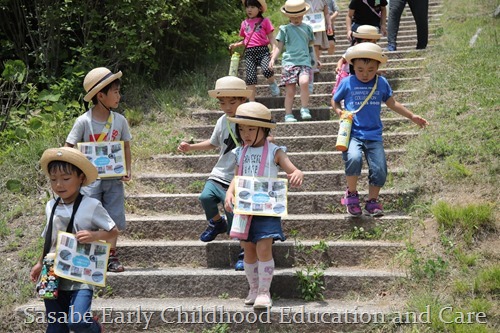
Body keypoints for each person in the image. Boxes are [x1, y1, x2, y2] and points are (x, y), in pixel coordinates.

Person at [332, 43, 428, 217]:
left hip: (374, 135)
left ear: (378, 67)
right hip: (353, 134)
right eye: (360, 69)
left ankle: (372, 201)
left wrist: (411, 116)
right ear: (352, 66)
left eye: (370, 69)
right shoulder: (347, 82)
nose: (365, 74)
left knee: (380, 169)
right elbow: (335, 100)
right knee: (353, 158)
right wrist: (339, 111)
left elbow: (392, 103)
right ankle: (352, 194)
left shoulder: (381, 83)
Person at [224, 102, 304, 308]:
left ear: (264, 129)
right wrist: (229, 193)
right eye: (242, 128)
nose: (246, 133)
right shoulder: (240, 152)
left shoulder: (275, 151)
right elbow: (237, 176)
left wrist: (296, 173)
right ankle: (252, 288)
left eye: (251, 128)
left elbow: (292, 169)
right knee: (248, 249)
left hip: (266, 209)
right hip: (244, 209)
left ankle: (263, 291)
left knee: (264, 248)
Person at [30, 147, 118, 333]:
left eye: (66, 178)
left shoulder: (92, 205)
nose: (59, 184)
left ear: (81, 178)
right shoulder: (50, 205)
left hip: (82, 272)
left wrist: (94, 235)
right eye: (54, 180)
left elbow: (113, 232)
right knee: (55, 328)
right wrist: (39, 263)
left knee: (77, 321)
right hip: (51, 270)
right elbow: (50, 239)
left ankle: (95, 327)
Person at [177, 76, 252, 270]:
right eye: (222, 102)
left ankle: (244, 251)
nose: (227, 106)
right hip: (220, 172)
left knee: (235, 213)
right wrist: (190, 147)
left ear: (243, 99)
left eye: (232, 101)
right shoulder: (221, 121)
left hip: (240, 175)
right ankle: (217, 224)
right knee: (205, 197)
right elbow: (213, 143)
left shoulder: (252, 118)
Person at [65, 67, 131, 273]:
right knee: (89, 215)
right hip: (89, 180)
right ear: (100, 95)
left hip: (113, 178)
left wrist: (128, 169)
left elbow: (126, 145)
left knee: (113, 215)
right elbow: (69, 147)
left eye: (119, 91)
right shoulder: (83, 121)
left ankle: (111, 256)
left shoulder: (120, 120)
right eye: (115, 92)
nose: (119, 96)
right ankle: (91, 255)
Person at [270, 0, 316, 123]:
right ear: (288, 16)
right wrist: (273, 58)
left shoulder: (308, 28)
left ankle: (304, 108)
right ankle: (288, 114)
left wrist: (315, 60)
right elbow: (279, 46)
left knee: (304, 82)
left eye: (299, 16)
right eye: (293, 17)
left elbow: (310, 46)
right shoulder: (285, 29)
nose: (296, 19)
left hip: (304, 61)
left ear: (303, 15)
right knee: (290, 90)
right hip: (289, 62)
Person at [229, 0, 280, 101]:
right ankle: (251, 102)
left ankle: (272, 83)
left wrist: (274, 49)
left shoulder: (265, 21)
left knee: (267, 70)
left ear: (259, 9)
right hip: (250, 53)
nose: (249, 9)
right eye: (248, 7)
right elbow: (246, 40)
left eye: (252, 7)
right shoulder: (244, 23)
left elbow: (271, 37)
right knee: (250, 78)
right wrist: (236, 44)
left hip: (263, 51)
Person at [331, 24, 381, 97]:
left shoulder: (373, 52)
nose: (373, 44)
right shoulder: (352, 50)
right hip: (350, 74)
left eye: (374, 42)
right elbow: (342, 60)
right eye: (371, 42)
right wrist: (339, 67)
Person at [305, 0, 333, 69]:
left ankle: (315, 65)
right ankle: (307, 64)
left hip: (318, 25)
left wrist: (329, 24)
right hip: (305, 26)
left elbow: (326, 13)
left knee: (316, 46)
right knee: (307, 45)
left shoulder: (323, 1)